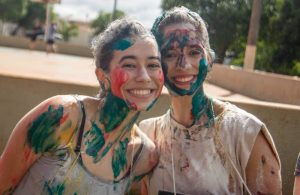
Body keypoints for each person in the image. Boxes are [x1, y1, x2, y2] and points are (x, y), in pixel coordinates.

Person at [0, 18, 164, 194]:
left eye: (153, 65)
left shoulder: (143, 157)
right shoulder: (60, 117)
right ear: (102, 77)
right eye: (129, 65)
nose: (145, 77)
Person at [140, 6, 282, 194]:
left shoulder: (245, 133)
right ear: (156, 63)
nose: (184, 65)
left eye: (194, 52)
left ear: (210, 58)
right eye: (170, 54)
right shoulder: (148, 135)